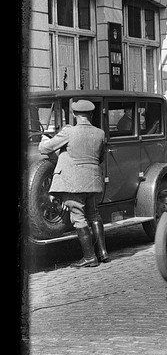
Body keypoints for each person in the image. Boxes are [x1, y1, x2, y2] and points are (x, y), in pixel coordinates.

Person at [38, 100, 109, 268]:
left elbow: (46, 149)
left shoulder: (69, 132)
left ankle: (89, 257)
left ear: (75, 115)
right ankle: (103, 252)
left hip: (74, 182)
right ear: (90, 115)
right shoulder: (100, 133)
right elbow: (100, 158)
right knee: (94, 214)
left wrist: (42, 140)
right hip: (93, 181)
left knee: (78, 217)